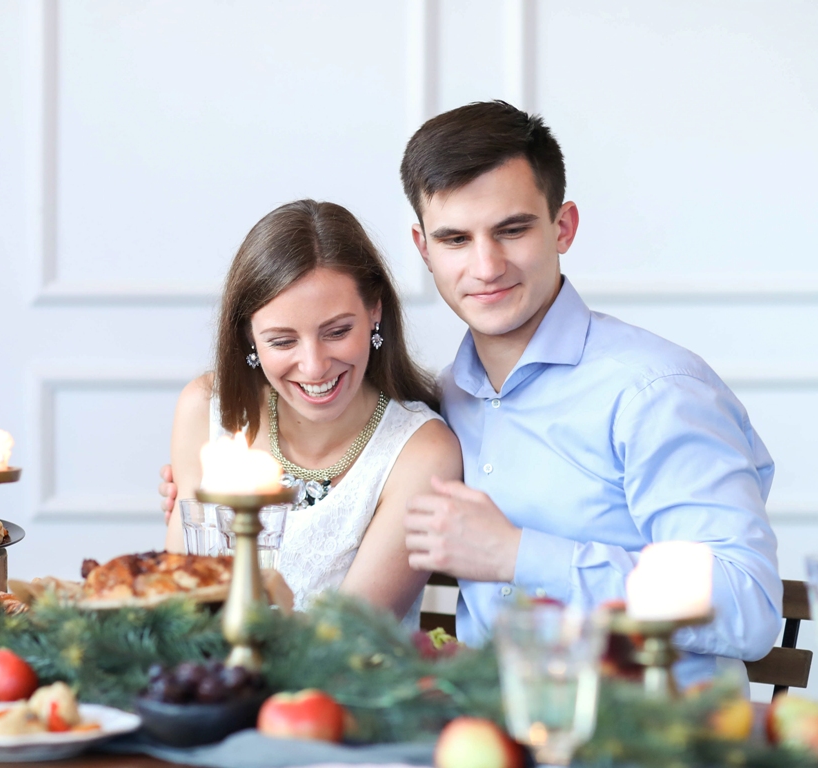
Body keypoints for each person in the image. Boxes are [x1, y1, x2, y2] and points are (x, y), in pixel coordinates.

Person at [398, 100, 780, 687]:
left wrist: (519, 555)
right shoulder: (445, 402)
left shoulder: (656, 392)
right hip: (486, 732)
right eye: (455, 239)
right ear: (424, 249)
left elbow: (748, 605)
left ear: (564, 227)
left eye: (512, 229)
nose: (486, 265)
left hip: (657, 740)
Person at [165, 199, 461, 627]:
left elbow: (346, 637)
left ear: (374, 311)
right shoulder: (205, 410)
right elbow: (173, 602)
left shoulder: (422, 452)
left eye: (337, 332)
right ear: (248, 333)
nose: (315, 366)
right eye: (283, 341)